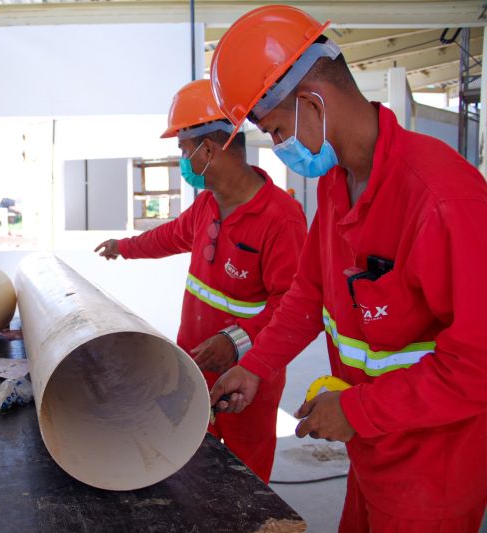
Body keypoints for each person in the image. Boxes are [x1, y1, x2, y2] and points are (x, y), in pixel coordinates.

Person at [208, 5, 487, 531]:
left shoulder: (441, 200)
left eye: (274, 130)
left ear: (313, 102)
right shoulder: (337, 187)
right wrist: (255, 365)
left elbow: (478, 365)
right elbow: (309, 297)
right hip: (373, 451)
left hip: (432, 472)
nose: (278, 148)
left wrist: (355, 411)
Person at [95, 79, 307, 483]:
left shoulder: (281, 219)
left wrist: (237, 343)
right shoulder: (208, 205)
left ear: (208, 151)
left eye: (184, 151)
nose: (183, 161)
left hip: (249, 378)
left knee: (245, 479)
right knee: (193, 465)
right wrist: (124, 246)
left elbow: (294, 306)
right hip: (194, 370)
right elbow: (170, 235)